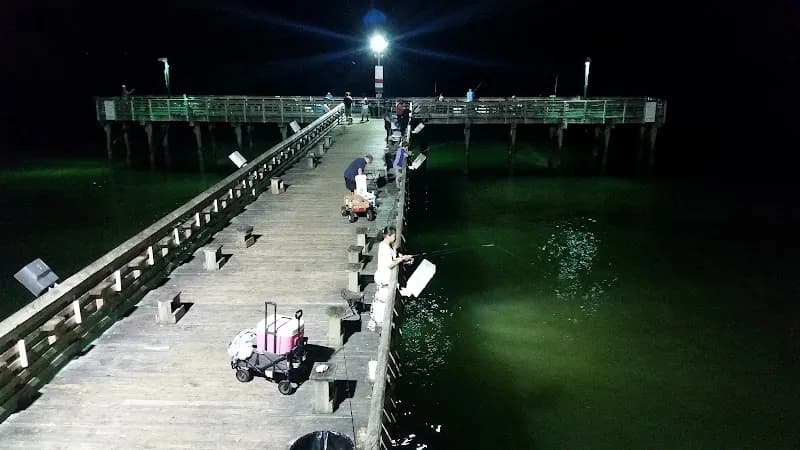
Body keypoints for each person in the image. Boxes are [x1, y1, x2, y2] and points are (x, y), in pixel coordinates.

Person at [369, 226, 413, 331]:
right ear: (388, 236)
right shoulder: (384, 247)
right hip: (384, 279)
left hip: (386, 278)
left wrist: (403, 258)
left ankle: (380, 323)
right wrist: (401, 259)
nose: (395, 237)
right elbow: (389, 264)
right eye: (394, 235)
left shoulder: (388, 245)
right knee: (382, 303)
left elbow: (393, 258)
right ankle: (379, 325)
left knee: (383, 302)